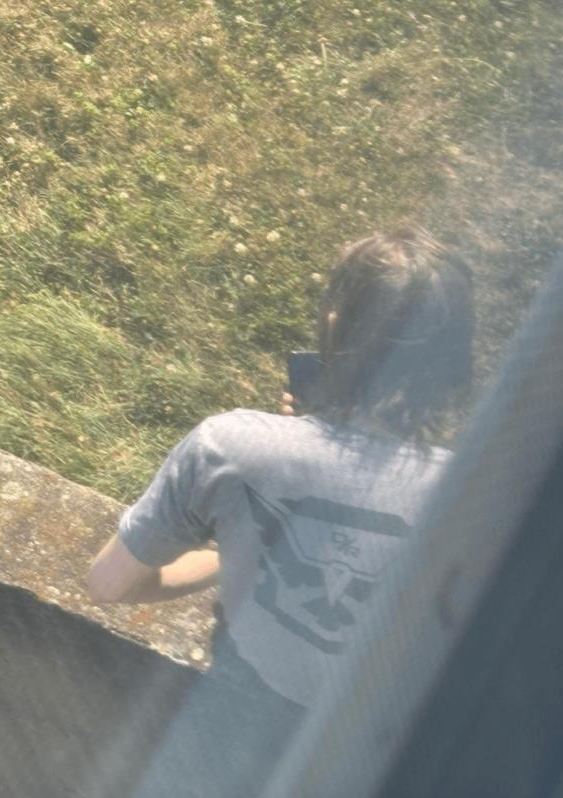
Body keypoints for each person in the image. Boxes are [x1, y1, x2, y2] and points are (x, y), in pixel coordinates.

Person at [87, 227, 474, 797]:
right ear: (453, 361)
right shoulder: (473, 495)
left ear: (336, 324)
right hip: (377, 747)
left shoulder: (230, 447)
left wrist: (246, 543)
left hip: (231, 725)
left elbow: (109, 583)